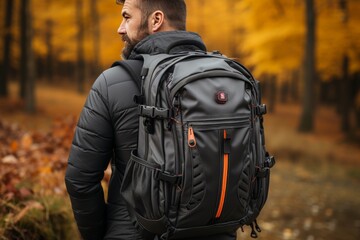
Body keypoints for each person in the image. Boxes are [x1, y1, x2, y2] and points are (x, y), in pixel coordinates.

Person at [65, 0, 237, 239]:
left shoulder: (112, 83)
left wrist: (100, 234)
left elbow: (79, 181)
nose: (120, 28)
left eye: (126, 17)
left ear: (156, 20)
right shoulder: (226, 79)